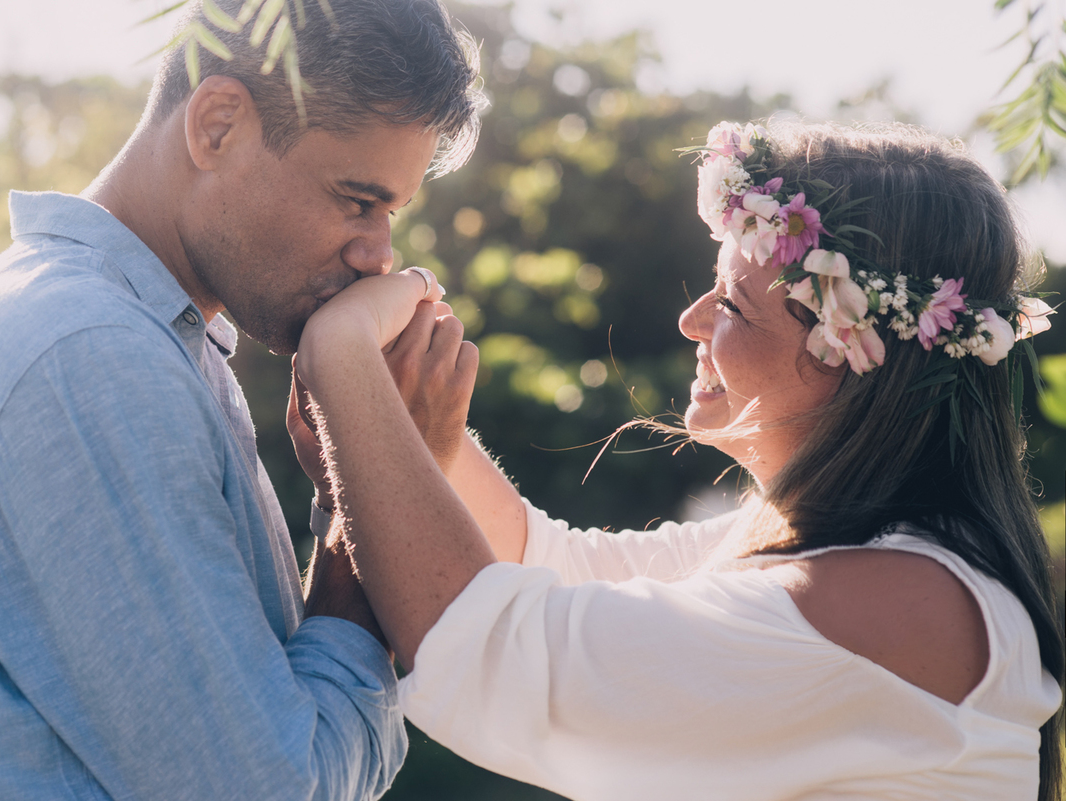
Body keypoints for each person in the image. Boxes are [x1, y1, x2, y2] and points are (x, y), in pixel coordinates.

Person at [291, 121, 1064, 800]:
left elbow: (502, 651)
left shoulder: (896, 602)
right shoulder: (841, 558)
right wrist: (407, 416)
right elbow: (553, 566)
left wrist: (343, 356)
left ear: (847, 348)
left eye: (730, 304)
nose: (691, 320)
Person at [0, 0, 483, 797]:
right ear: (218, 126)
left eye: (390, 212)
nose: (379, 255)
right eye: (356, 199)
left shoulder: (134, 336)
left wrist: (352, 492)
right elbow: (277, 788)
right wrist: (367, 500)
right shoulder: (90, 357)